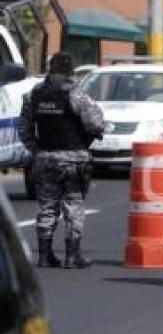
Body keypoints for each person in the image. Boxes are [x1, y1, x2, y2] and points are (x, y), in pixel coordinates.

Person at [19, 53, 105, 269]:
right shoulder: (77, 96)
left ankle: (45, 255)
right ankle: (72, 255)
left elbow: (24, 129)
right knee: (73, 204)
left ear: (50, 69)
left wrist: (37, 150)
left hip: (44, 157)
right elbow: (96, 125)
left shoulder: (34, 95)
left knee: (47, 206)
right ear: (71, 72)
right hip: (73, 158)